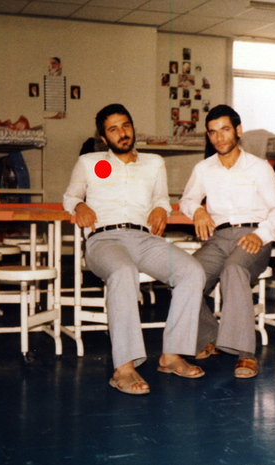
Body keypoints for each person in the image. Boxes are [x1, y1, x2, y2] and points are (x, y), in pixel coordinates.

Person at [63, 104, 206, 395]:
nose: (122, 133)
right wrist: (80, 205)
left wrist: (161, 208)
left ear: (132, 127)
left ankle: (171, 355)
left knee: (192, 271)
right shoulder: (89, 162)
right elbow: (70, 196)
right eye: (113, 129)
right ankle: (124, 367)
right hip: (104, 239)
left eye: (126, 125)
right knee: (123, 271)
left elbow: (161, 198)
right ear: (104, 137)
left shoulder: (154, 162)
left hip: (144, 238)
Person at [179, 105, 275, 379]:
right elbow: (187, 200)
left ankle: (245, 353)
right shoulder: (203, 168)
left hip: (253, 236)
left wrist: (260, 235)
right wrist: (198, 211)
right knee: (184, 277)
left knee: (234, 269)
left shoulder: (259, 167)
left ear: (238, 130)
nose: (219, 137)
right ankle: (211, 336)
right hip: (218, 238)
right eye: (213, 132)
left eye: (225, 129)